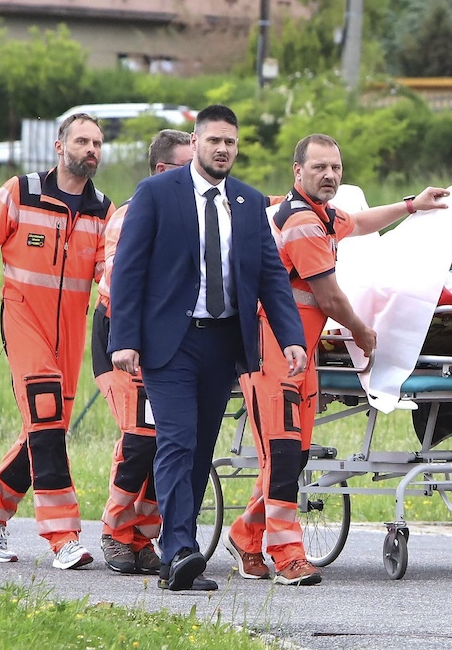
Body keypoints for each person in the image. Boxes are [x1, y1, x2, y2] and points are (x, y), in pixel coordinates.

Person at [222, 133, 450, 586]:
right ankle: (286, 554)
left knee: (294, 454)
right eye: (320, 167)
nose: (329, 175)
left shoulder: (323, 215)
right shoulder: (303, 221)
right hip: (272, 350)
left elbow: (360, 222)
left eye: (336, 168)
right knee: (284, 453)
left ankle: (246, 534)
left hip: (297, 352)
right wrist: (364, 333)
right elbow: (328, 296)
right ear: (298, 172)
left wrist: (410, 206)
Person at [107, 104, 308, 592]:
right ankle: (177, 551)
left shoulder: (247, 201)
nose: (223, 149)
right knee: (175, 440)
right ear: (195, 143)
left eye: (230, 142)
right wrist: (124, 340)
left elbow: (271, 278)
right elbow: (129, 270)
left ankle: (181, 550)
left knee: (199, 450)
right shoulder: (156, 194)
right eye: (214, 140)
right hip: (167, 345)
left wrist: (293, 339)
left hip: (222, 343)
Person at [0, 113, 114, 570]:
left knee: (43, 430)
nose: (91, 149)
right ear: (59, 146)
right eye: (82, 140)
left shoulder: (102, 211)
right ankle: (63, 538)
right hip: (23, 321)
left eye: (97, 142)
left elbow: (110, 278)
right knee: (48, 421)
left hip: (69, 335)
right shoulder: (21, 191)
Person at [92, 129, 193, 574]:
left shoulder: (201, 213)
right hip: (122, 334)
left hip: (167, 340)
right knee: (138, 441)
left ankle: (141, 535)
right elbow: (121, 286)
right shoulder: (132, 215)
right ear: (162, 171)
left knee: (165, 442)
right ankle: (115, 532)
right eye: (191, 166)